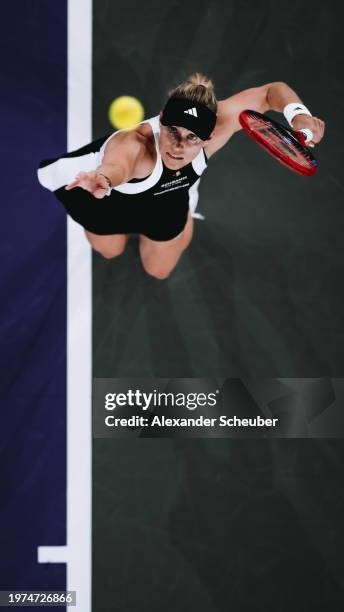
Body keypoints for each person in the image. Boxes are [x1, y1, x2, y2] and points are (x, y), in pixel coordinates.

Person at [37, 73, 325, 279]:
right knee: (110, 251)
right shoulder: (134, 144)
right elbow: (119, 164)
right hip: (106, 206)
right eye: (173, 131)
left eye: (192, 138)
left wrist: (298, 115)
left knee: (158, 271)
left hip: (167, 205)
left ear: (210, 136)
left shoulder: (219, 126)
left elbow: (269, 92)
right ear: (161, 119)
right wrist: (106, 179)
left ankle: (186, 214)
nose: (179, 146)